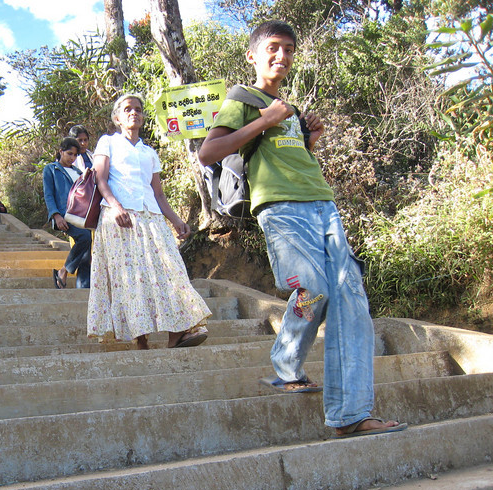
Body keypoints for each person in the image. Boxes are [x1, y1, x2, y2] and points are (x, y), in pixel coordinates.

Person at [198, 20, 406, 438]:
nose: (282, 56)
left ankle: (352, 413)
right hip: (280, 207)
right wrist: (266, 119)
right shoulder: (243, 99)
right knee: (313, 288)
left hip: (322, 203)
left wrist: (307, 138)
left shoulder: (287, 107)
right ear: (253, 55)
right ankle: (287, 361)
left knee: (351, 299)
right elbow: (210, 152)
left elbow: (287, 154)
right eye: (273, 47)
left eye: (289, 49)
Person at [88, 94, 211, 349]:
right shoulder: (107, 142)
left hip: (152, 217)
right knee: (130, 278)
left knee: (170, 270)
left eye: (138, 109)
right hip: (119, 218)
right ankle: (140, 339)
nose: (134, 113)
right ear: (117, 117)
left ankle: (177, 332)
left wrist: (176, 221)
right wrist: (116, 207)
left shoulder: (149, 152)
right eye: (127, 109)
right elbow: (101, 180)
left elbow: (157, 192)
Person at [43, 137, 91, 289]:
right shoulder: (51, 169)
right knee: (84, 238)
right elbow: (48, 194)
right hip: (65, 215)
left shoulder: (78, 172)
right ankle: (63, 271)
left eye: (75, 155)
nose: (72, 158)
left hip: (82, 216)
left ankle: (83, 287)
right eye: (69, 154)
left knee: (85, 253)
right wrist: (56, 215)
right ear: (61, 152)